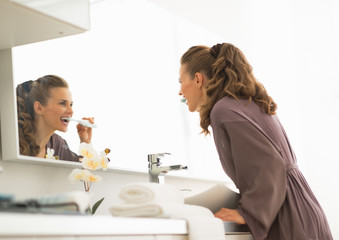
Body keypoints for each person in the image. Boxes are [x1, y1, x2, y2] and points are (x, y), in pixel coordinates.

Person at [178, 43, 333, 239]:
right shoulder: (245, 103)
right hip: (303, 207)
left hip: (286, 215)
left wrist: (249, 213)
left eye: (180, 81)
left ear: (198, 79)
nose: (180, 91)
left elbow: (269, 164)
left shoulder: (223, 110)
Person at [16, 75, 94, 162]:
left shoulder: (57, 144)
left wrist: (85, 141)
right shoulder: (14, 141)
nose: (71, 111)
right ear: (39, 108)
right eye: (62, 103)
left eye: (71, 105)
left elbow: (82, 171)